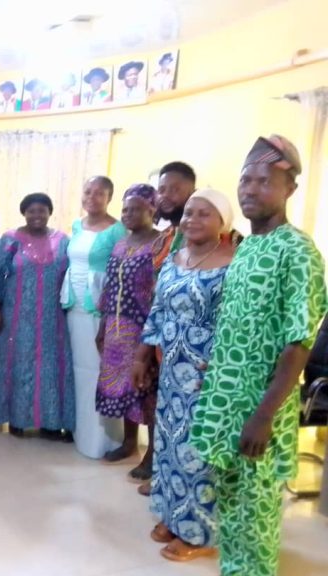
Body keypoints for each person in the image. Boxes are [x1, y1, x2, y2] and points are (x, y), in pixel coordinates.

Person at [191, 135, 327, 576]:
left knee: (257, 512)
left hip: (260, 408)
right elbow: (245, 323)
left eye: (264, 181)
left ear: (290, 189)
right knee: (231, 506)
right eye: (245, 180)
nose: (250, 189)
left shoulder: (298, 251)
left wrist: (264, 415)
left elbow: (299, 342)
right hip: (227, 398)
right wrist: (219, 366)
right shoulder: (246, 247)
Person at [133, 189, 236, 562]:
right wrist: (142, 356)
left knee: (197, 450)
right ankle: (173, 515)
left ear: (223, 221)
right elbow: (158, 311)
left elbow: (237, 321)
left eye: (204, 213)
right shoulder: (175, 259)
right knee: (169, 443)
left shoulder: (233, 263)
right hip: (171, 368)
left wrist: (224, 363)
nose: (192, 219)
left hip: (207, 371)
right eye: (189, 212)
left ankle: (199, 533)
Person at [0, 193, 74, 439]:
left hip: (52, 318)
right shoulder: (10, 239)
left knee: (49, 368)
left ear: (49, 212)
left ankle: (50, 422)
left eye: (42, 210)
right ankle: (17, 419)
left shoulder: (62, 241)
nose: (37, 215)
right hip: (16, 316)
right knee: (17, 364)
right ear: (24, 213)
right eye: (31, 211)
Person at [95, 184, 169, 479]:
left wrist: (153, 335)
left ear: (152, 209)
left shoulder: (161, 243)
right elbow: (109, 286)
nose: (128, 214)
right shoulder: (120, 244)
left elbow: (161, 291)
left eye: (136, 209)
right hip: (116, 329)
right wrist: (103, 326)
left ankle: (151, 454)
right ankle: (128, 443)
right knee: (125, 388)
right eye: (125, 209)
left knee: (146, 390)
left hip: (144, 329)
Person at [60, 176, 126, 458]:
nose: (92, 197)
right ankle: (78, 431)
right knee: (77, 370)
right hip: (73, 306)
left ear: (109, 197)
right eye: (88, 191)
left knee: (99, 372)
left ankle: (101, 440)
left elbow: (120, 272)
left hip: (99, 310)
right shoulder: (77, 225)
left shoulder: (117, 230)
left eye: (99, 193)